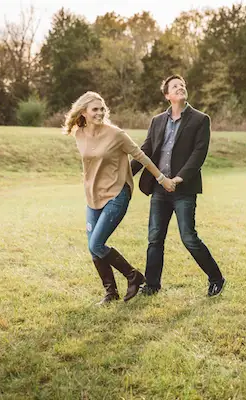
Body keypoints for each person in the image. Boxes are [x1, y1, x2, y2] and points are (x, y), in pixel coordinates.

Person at [63, 91, 178, 305]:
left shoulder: (116, 134)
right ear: (84, 112)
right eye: (94, 109)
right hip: (92, 195)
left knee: (96, 244)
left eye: (101, 109)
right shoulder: (79, 133)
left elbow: (141, 156)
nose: (99, 113)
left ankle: (133, 276)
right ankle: (111, 293)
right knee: (93, 247)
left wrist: (162, 178)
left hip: (116, 194)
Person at [131, 75, 226, 297]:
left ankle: (216, 278)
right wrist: (126, 173)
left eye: (182, 85)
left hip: (184, 190)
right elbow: (145, 151)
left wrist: (178, 179)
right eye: (175, 86)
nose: (180, 87)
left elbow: (198, 154)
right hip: (159, 190)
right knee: (155, 238)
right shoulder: (157, 121)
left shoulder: (201, 120)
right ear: (167, 95)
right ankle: (152, 285)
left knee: (188, 237)